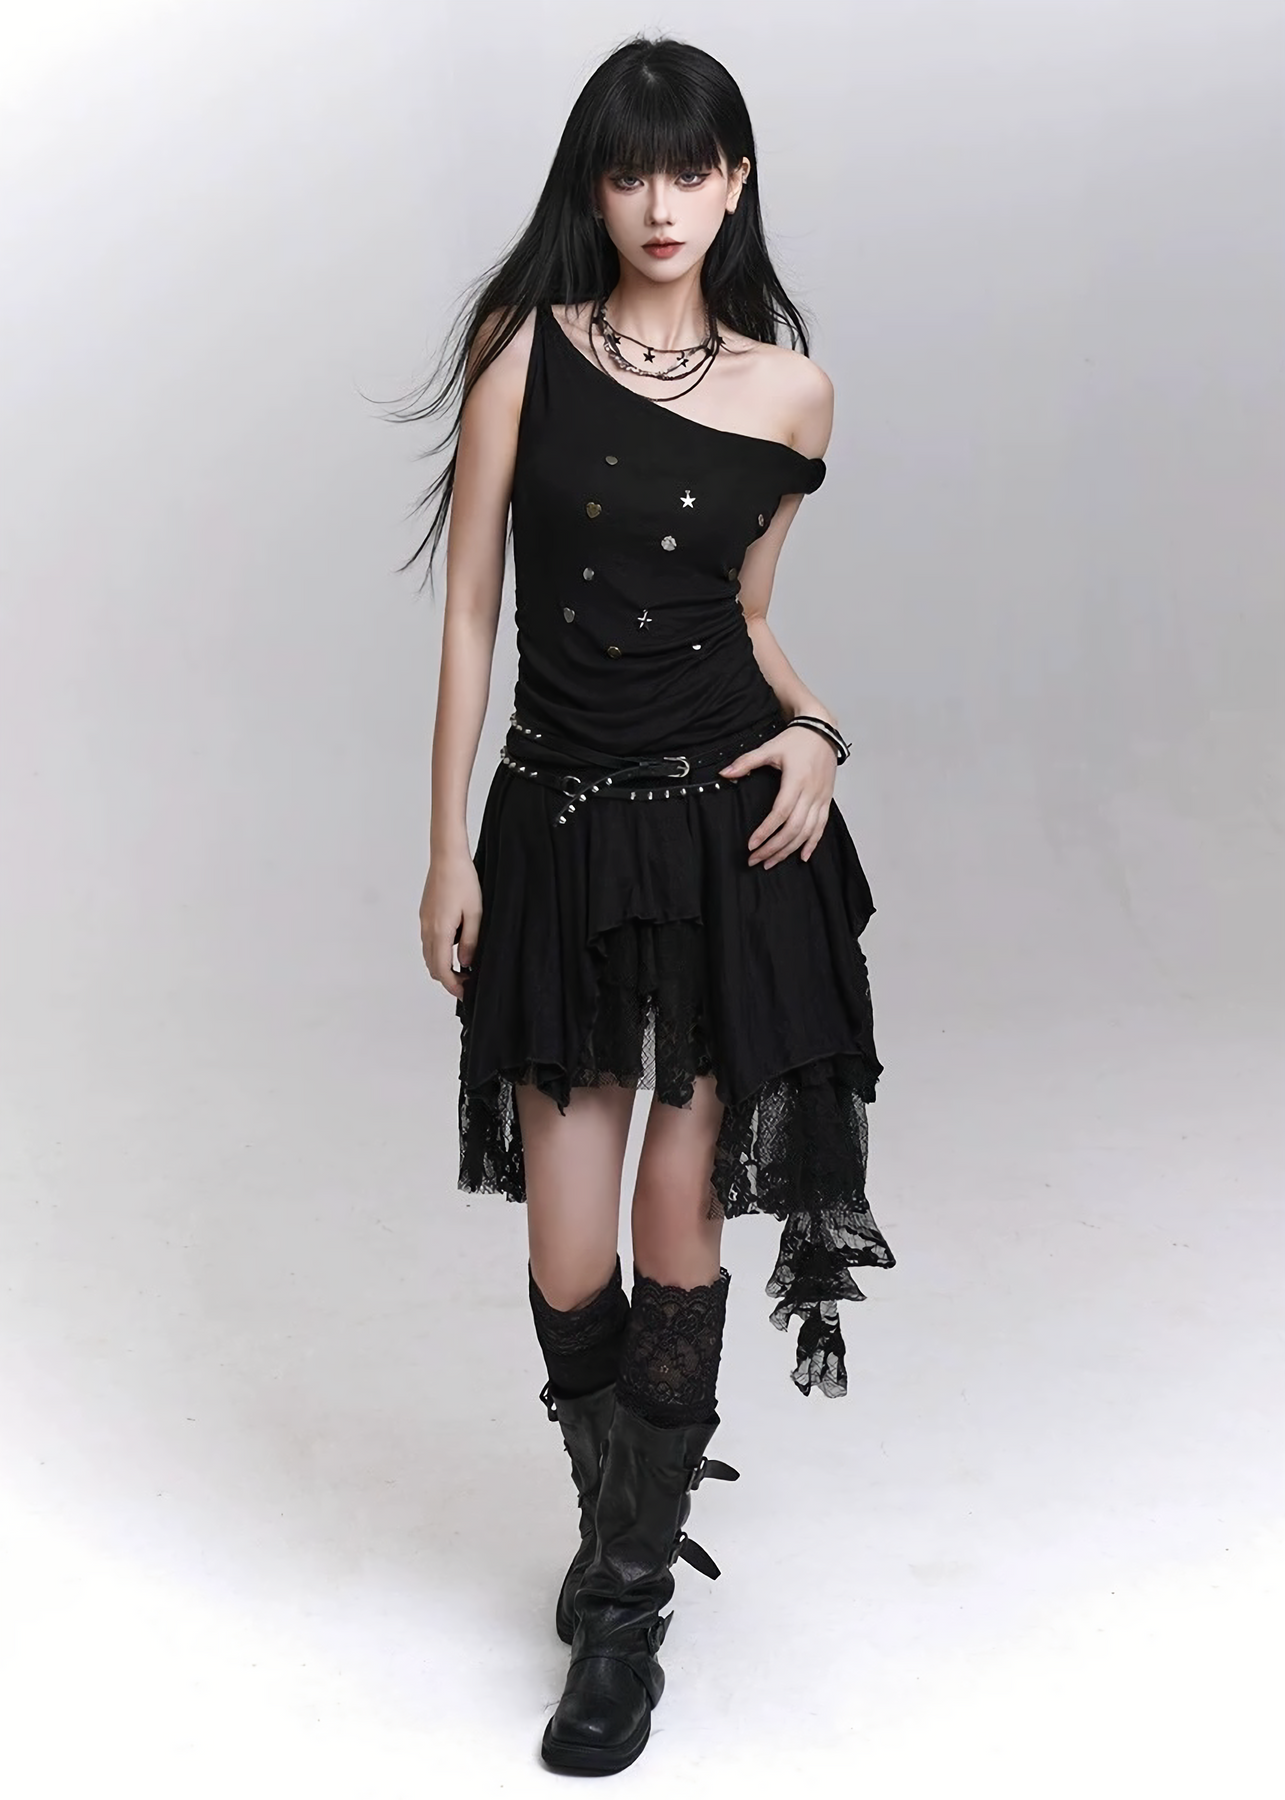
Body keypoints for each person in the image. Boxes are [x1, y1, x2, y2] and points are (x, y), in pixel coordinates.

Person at [402, 34, 895, 1775]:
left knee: (681, 1219)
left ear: (736, 181)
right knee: (565, 1251)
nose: (662, 202)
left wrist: (820, 733)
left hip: (715, 846)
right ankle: (622, 1510)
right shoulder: (522, 351)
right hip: (555, 836)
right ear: (594, 187)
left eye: (692, 170)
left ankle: (622, 1609)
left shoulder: (792, 391)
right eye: (630, 172)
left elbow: (745, 621)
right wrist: (447, 846)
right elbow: (473, 612)